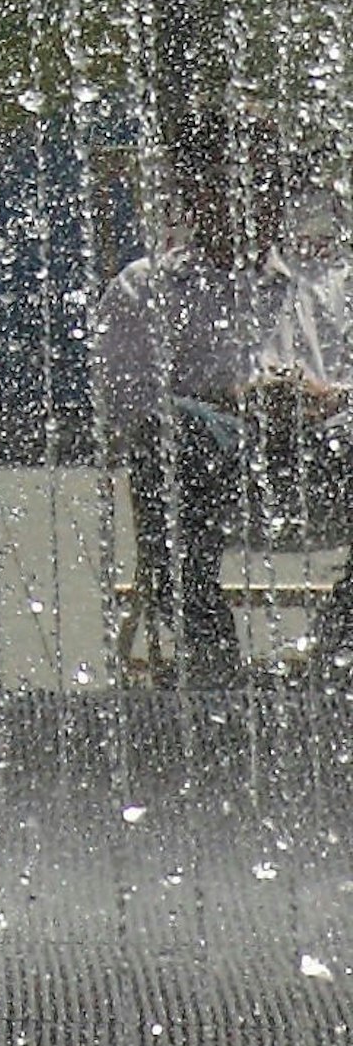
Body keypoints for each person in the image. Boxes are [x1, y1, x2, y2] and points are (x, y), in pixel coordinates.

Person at [94, 143, 353, 683]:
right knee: (169, 432)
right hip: (211, 469)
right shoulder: (146, 286)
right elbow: (120, 403)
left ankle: (336, 655)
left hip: (322, 455)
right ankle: (210, 659)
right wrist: (231, 397)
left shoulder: (329, 281)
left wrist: (324, 395)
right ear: (190, 196)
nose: (243, 199)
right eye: (221, 182)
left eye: (262, 183)